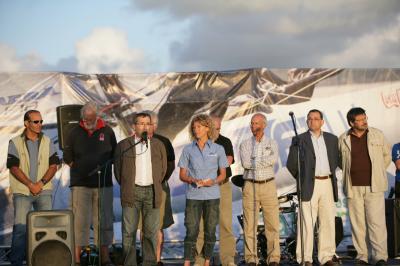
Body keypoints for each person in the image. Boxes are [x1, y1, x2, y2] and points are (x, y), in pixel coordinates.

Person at [63, 102, 117, 266]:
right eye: (85, 118)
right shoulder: (74, 132)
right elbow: (67, 155)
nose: (88, 121)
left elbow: (115, 154)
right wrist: (78, 168)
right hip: (80, 185)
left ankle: (104, 257)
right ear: (82, 117)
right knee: (79, 221)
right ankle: (77, 259)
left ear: (97, 116)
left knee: (104, 221)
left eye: (91, 118)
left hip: (103, 185)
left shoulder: (107, 131)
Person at [338, 107, 391, 266]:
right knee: (358, 224)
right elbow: (342, 162)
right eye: (360, 120)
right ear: (351, 123)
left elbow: (386, 156)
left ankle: (380, 257)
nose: (364, 121)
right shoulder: (343, 139)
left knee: (377, 224)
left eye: (365, 118)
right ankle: (362, 257)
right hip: (353, 187)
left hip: (374, 186)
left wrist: (378, 172)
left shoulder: (377, 134)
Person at [287, 109, 339, 266]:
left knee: (327, 221)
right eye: (309, 119)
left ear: (322, 122)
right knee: (307, 223)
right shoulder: (299, 139)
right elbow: (292, 164)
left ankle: (326, 257)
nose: (312, 121)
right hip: (309, 184)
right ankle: (305, 258)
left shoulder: (332, 139)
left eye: (316, 119)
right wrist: (303, 179)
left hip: (327, 183)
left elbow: (336, 160)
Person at [7, 110, 60, 266]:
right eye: (36, 122)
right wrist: (30, 185)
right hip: (23, 192)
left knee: (46, 228)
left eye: (41, 121)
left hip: (44, 191)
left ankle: (43, 261)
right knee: (20, 230)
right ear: (26, 123)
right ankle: (16, 262)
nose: (40, 125)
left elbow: (53, 165)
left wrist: (40, 184)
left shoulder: (48, 141)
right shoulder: (15, 142)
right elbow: (13, 167)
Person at [114, 112, 167, 266]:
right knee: (129, 232)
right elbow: (118, 171)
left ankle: (149, 262)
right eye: (141, 123)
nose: (145, 126)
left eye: (147, 123)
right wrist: (128, 185)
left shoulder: (158, 145)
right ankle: (129, 263)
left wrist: (154, 183)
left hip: (152, 192)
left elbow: (163, 170)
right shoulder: (124, 145)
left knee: (150, 232)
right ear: (134, 126)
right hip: (132, 192)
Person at [178, 114, 229, 266]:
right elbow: (182, 175)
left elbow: (223, 174)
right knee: (191, 230)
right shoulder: (188, 149)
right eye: (194, 127)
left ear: (207, 128)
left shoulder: (218, 149)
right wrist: (192, 180)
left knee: (210, 230)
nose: (196, 130)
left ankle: (207, 261)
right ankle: (187, 262)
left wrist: (212, 181)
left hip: (212, 195)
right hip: (193, 196)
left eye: (199, 127)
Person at [239, 113, 280, 266]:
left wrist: (256, 160)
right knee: (250, 225)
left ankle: (274, 258)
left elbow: (273, 160)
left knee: (272, 224)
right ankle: (251, 258)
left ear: (264, 125)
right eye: (251, 123)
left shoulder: (272, 142)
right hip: (250, 185)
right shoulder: (245, 144)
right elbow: (246, 164)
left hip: (268, 184)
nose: (253, 126)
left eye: (256, 123)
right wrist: (263, 159)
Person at [195, 115, 236, 266]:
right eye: (214, 128)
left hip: (222, 186)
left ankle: (228, 260)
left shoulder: (225, 141)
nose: (217, 131)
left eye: (219, 128)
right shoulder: (198, 142)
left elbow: (228, 161)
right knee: (201, 225)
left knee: (225, 224)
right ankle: (199, 260)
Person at [141, 111, 175, 266]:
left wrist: (161, 179)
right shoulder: (136, 142)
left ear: (155, 125)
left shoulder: (164, 141)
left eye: (150, 124)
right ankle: (146, 258)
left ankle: (157, 260)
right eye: (144, 124)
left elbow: (171, 164)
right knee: (144, 226)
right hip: (140, 189)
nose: (147, 127)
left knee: (158, 225)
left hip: (160, 188)